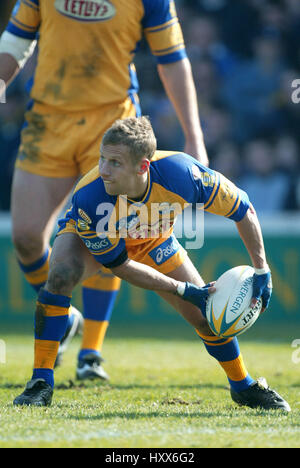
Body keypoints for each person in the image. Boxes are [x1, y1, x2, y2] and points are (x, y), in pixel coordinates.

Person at [13, 116, 290, 412]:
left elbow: (243, 208)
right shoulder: (91, 197)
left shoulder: (182, 174)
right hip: (98, 238)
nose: (103, 170)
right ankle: (41, 381)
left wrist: (262, 269)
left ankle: (243, 386)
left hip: (153, 239)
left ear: (143, 166)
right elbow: (119, 265)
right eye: (102, 159)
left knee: (206, 315)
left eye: (115, 163)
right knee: (61, 275)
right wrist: (183, 289)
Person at [0, 0, 209, 380]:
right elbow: (16, 41)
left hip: (113, 127)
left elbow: (172, 58)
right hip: (48, 121)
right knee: (27, 237)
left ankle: (91, 352)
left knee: (106, 232)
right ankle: (65, 321)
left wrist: (194, 136)